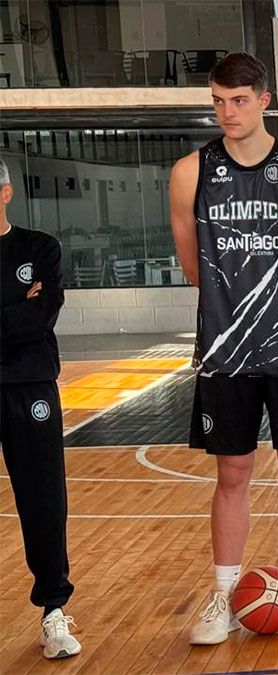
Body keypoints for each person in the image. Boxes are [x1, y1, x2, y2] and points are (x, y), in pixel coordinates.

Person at [169, 52, 278, 645]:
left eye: (238, 100)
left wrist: (277, 312)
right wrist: (234, 310)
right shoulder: (190, 172)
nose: (227, 112)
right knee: (232, 473)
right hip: (224, 351)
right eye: (217, 101)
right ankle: (221, 594)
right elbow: (193, 267)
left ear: (264, 100)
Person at [0, 157, 82, 660]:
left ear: (6, 192)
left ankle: (53, 611)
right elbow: (25, 317)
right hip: (23, 365)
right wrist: (18, 307)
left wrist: (28, 311)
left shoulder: (40, 248)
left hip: (29, 387)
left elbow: (41, 317)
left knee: (43, 499)